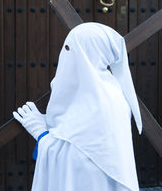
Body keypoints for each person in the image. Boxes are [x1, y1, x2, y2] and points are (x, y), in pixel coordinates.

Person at [13, 22, 142, 191]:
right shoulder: (107, 90)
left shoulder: (102, 102)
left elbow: (81, 163)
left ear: (87, 53)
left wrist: (42, 135)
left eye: (70, 48)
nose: (65, 54)